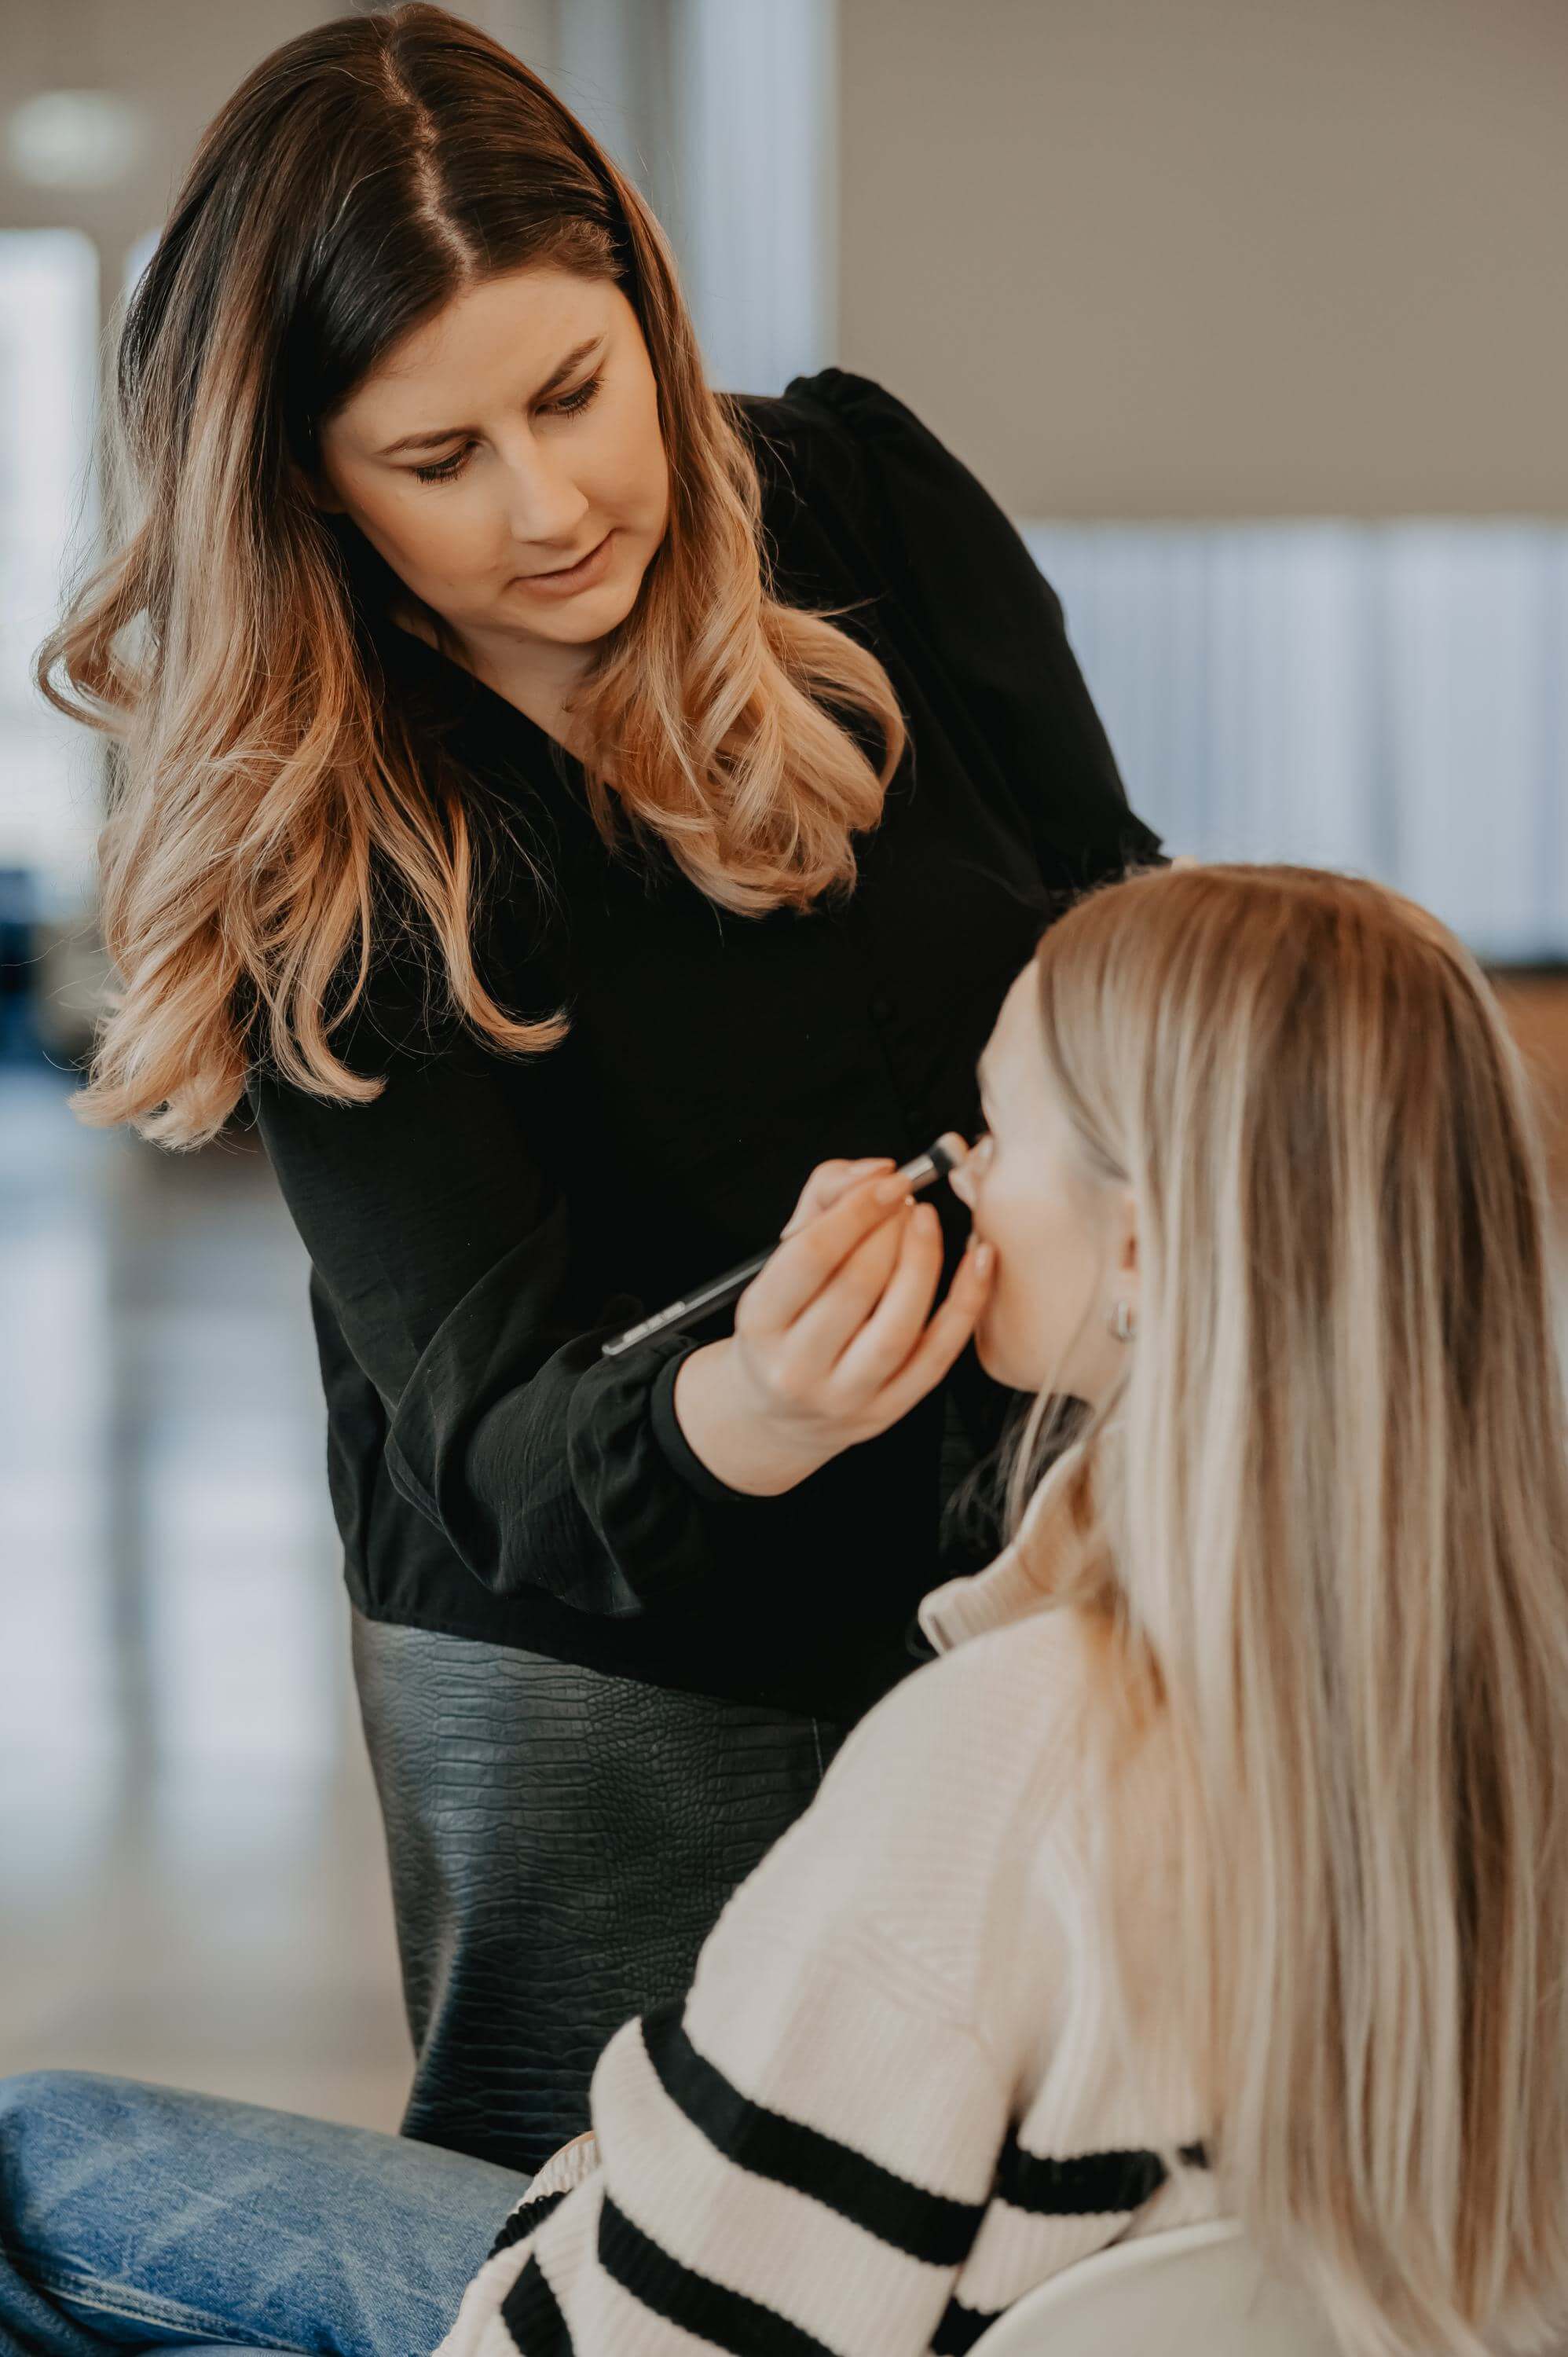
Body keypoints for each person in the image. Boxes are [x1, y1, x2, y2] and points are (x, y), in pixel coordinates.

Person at [35, 5, 1160, 2174]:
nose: (547, 509)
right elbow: (490, 1440)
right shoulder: (319, 835)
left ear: (645, 310)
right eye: (436, 459)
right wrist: (756, 1404)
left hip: (1033, 1570)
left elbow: (1114, 944)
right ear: (306, 479)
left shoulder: (854, 499)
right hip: (614, 1687)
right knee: (620, 2241)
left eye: (573, 394)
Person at [8, 861, 1568, 2357]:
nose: (955, 1172)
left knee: (37, 2156)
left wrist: (634, 2140)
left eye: (995, 1131)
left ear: (1144, 1247)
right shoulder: (1508, 1674)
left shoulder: (1006, 1762)